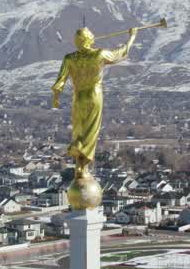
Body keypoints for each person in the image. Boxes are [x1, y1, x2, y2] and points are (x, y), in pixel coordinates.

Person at [51, 26, 138, 179]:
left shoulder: (69, 58)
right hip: (94, 95)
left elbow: (60, 80)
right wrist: (132, 37)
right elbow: (121, 54)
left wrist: (56, 98)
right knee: (91, 131)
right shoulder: (99, 54)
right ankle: (83, 167)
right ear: (90, 40)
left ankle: (77, 155)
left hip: (78, 96)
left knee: (78, 129)